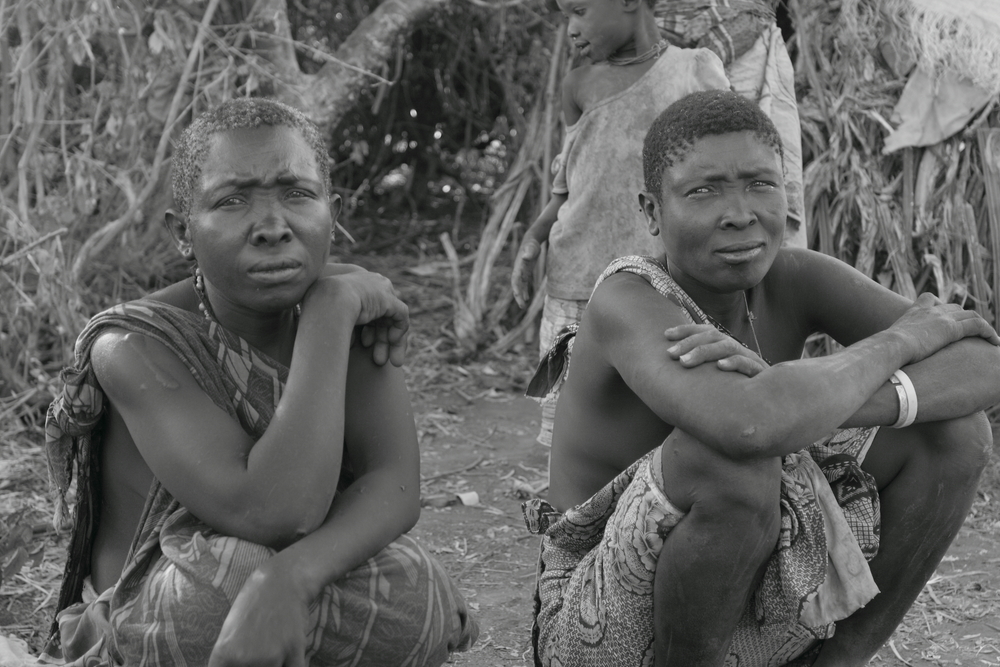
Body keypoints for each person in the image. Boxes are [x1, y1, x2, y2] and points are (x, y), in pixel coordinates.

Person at [522, 89, 1000, 667]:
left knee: (953, 433)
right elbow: (748, 428)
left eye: (760, 184)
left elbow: (983, 360)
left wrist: (795, 398)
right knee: (730, 461)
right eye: (703, 191)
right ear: (651, 211)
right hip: (599, 625)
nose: (740, 213)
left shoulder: (793, 277)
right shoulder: (628, 300)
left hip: (738, 601)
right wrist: (901, 341)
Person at [43, 98, 478, 666]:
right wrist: (327, 314)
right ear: (182, 232)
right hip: (154, 604)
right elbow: (273, 512)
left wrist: (287, 580)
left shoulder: (349, 306)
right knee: (226, 582)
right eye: (231, 200)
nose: (273, 227)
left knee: (418, 589)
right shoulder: (134, 346)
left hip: (291, 573)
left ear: (332, 210)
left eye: (298, 194)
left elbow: (393, 483)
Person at [510, 0, 731, 447]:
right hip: (575, 279)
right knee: (570, 423)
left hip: (660, 281)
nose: (572, 29)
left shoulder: (694, 71)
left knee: (662, 415)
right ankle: (568, 510)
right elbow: (569, 179)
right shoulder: (578, 85)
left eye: (580, 11)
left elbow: (726, 168)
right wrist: (534, 237)